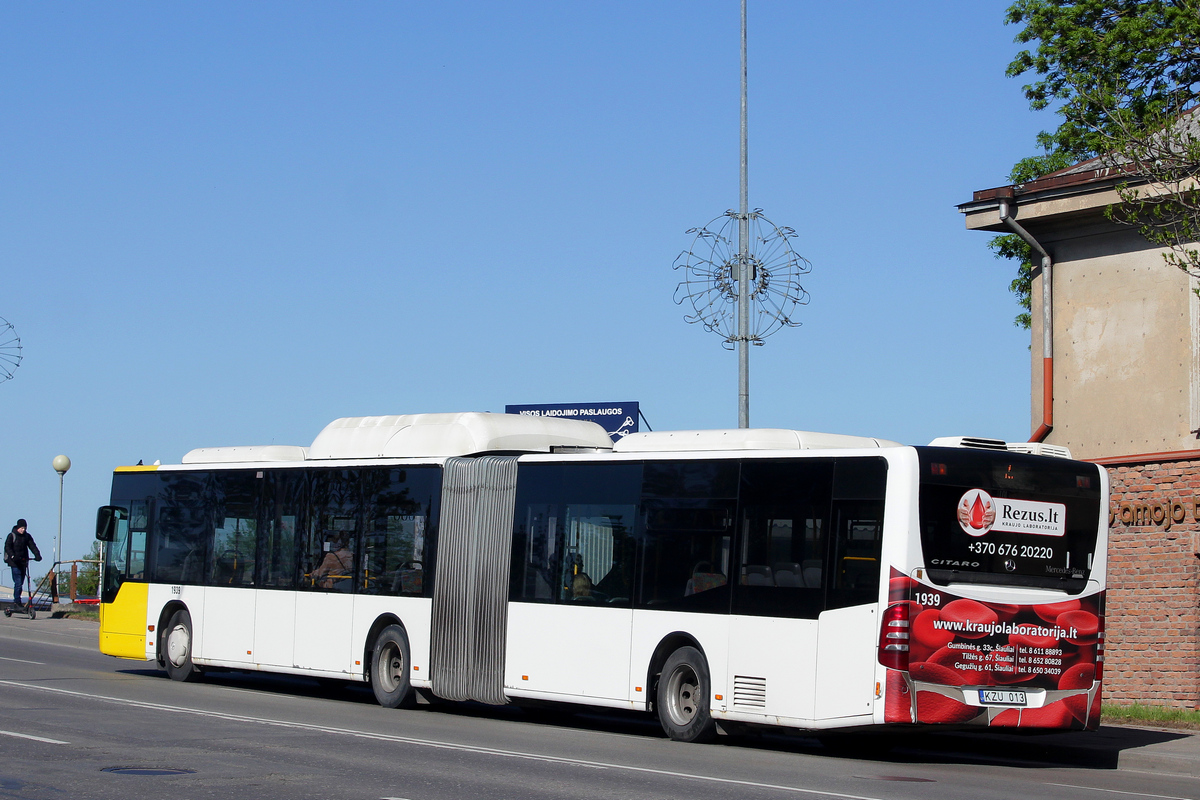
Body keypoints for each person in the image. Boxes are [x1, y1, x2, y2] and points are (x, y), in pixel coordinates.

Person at [4, 519, 42, 608]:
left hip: (23, 562)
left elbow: (32, 546)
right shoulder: (11, 536)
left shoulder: (27, 536)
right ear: (18, 527)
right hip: (14, 563)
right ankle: (17, 601)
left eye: (24, 528)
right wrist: (13, 556)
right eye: (21, 528)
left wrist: (37, 555)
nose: (23, 530)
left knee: (21, 582)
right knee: (18, 583)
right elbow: (7, 547)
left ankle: (19, 601)